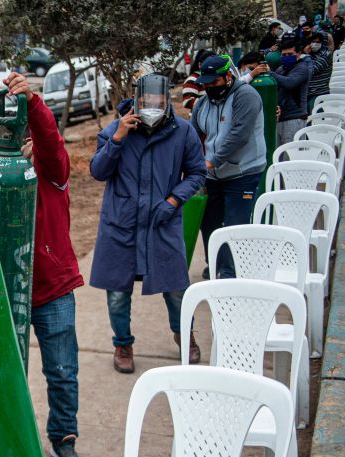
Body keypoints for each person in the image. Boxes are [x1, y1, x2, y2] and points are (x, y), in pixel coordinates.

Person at [0, 72, 85, 457]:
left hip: (52, 288)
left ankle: (63, 438)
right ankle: (4, 442)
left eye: (18, 137)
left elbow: (51, 141)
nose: (10, 145)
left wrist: (33, 103)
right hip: (4, 293)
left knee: (62, 370)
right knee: (3, 374)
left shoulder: (49, 170)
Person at [90, 74, 206, 373]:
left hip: (161, 221)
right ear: (137, 101)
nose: (152, 106)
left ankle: (185, 336)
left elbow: (196, 173)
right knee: (117, 291)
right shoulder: (116, 129)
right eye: (145, 102)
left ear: (168, 101)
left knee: (176, 286)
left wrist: (173, 201)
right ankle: (122, 343)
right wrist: (117, 140)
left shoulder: (183, 131)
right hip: (121, 223)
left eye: (158, 101)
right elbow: (98, 171)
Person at [191, 55, 266, 282]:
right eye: (206, 84)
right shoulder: (202, 104)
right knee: (210, 223)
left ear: (227, 76)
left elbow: (238, 135)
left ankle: (232, 274)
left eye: (214, 83)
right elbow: (192, 135)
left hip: (243, 172)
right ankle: (215, 264)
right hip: (212, 176)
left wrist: (212, 161)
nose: (209, 87)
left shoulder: (246, 96)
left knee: (235, 224)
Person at [272, 36, 311, 145]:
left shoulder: (302, 68)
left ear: (298, 53)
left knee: (291, 158)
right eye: (284, 55)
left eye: (290, 54)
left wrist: (270, 73)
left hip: (295, 118)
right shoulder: (281, 69)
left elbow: (289, 83)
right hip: (280, 118)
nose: (286, 57)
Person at [306, 31, 334, 109]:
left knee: (313, 114)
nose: (314, 44)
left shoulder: (326, 54)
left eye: (317, 42)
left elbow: (312, 70)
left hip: (319, 92)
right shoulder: (311, 54)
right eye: (313, 41)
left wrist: (305, 55)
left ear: (323, 43)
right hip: (308, 92)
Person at [182, 49, 215, 114]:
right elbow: (187, 102)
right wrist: (211, 106)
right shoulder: (193, 79)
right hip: (199, 118)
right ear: (200, 64)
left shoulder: (215, 78)